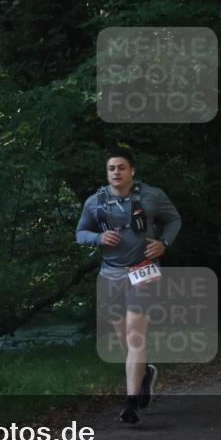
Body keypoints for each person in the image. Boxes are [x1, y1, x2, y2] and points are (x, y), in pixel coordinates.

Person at [76, 147, 181, 424]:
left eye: (121, 167)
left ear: (132, 170)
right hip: (111, 274)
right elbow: (80, 232)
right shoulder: (95, 201)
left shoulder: (151, 195)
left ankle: (130, 403)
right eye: (111, 168)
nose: (116, 173)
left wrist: (164, 244)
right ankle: (145, 372)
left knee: (135, 336)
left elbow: (174, 219)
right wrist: (97, 239)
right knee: (124, 337)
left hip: (143, 270)